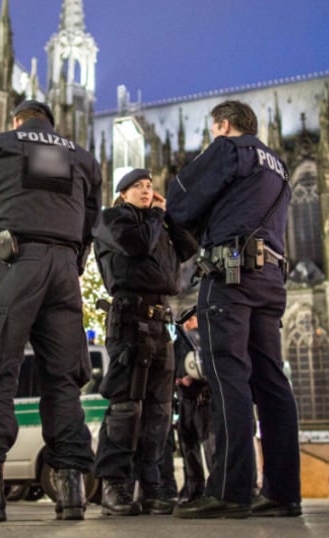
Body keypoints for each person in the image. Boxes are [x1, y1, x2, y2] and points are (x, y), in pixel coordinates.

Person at [0, 100, 102, 522]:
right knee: (64, 378)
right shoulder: (81, 157)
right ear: (51, 124)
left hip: (13, 261)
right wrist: (71, 259)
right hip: (65, 270)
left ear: (17, 121)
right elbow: (91, 221)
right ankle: (71, 491)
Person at [166, 100, 301, 519]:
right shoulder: (277, 165)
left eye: (213, 132)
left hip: (230, 275)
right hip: (271, 279)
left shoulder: (228, 149)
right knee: (272, 381)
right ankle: (282, 492)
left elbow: (181, 201)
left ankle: (228, 489)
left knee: (227, 376)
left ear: (223, 126)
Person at [91, 168, 198, 516]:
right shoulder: (111, 220)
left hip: (160, 321)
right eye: (138, 186)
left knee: (158, 412)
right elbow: (136, 246)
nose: (146, 190)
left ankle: (151, 487)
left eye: (150, 186)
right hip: (129, 320)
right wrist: (154, 216)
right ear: (122, 193)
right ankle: (114, 484)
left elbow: (188, 248)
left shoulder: (156, 224)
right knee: (126, 407)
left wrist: (168, 217)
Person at [174, 312, 214, 504]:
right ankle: (194, 489)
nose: (188, 324)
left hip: (202, 400)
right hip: (185, 400)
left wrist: (197, 379)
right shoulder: (181, 340)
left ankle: (213, 488)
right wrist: (178, 379)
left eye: (191, 319)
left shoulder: (203, 337)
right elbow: (175, 364)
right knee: (189, 447)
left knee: (208, 445)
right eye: (186, 321)